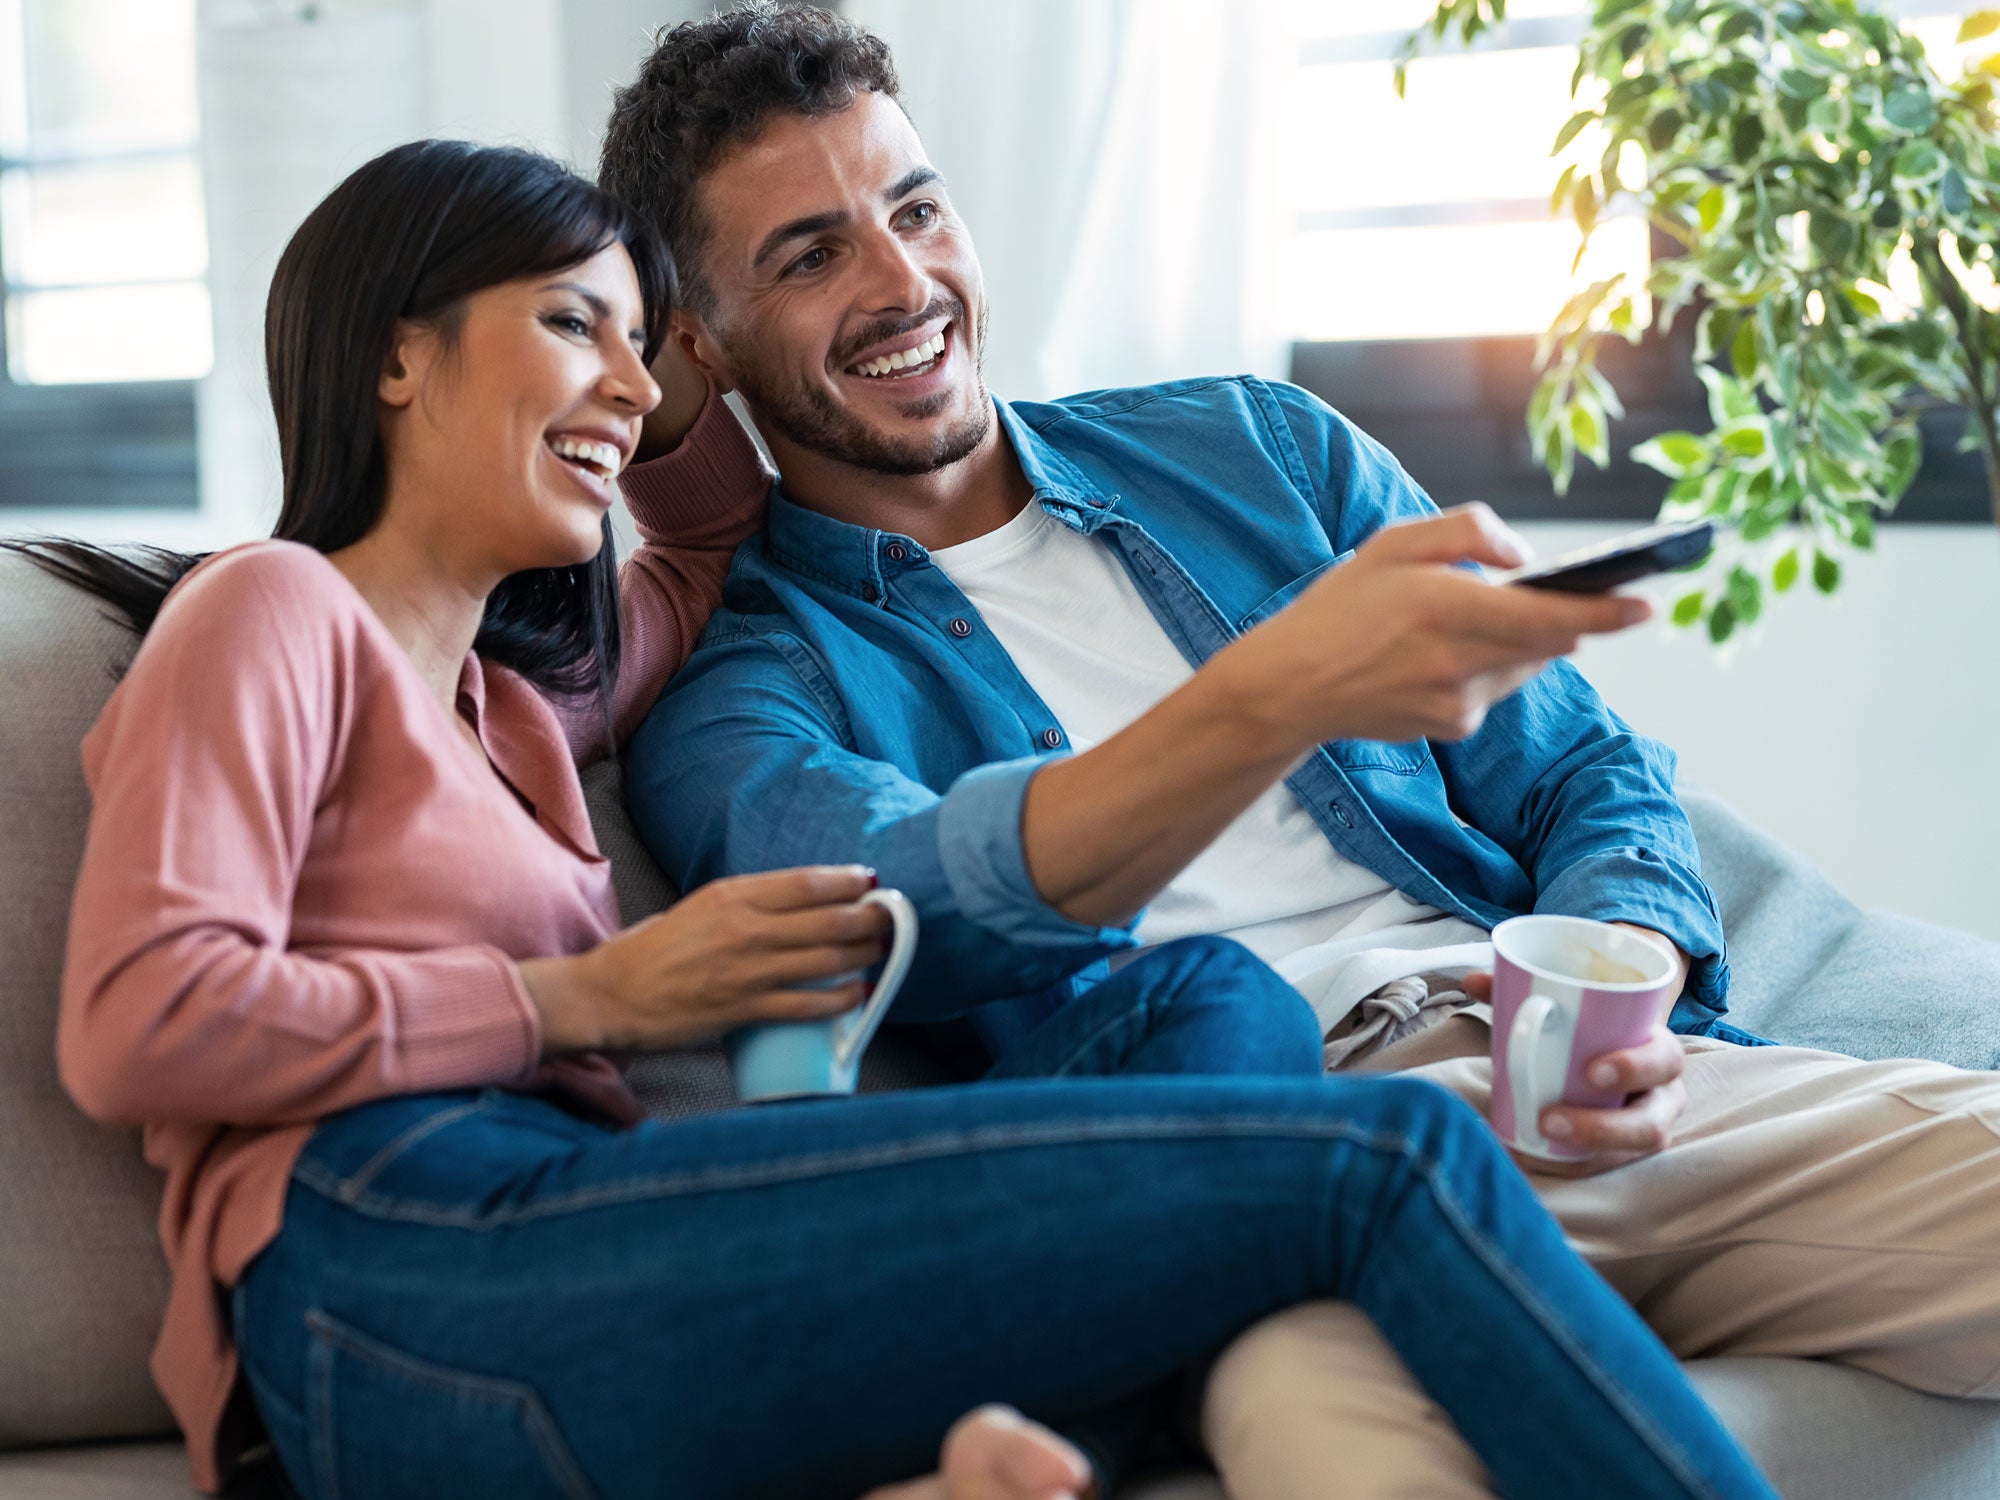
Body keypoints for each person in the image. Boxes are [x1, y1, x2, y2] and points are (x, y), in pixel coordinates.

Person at [21, 137, 1777, 1500]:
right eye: (571, 323)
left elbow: (708, 509)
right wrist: (585, 1003)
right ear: (396, 354)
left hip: (580, 1262)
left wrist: (654, 345)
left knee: (1208, 1001)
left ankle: (962, 1438)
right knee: (1384, 1161)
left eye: (646, 350)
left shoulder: (531, 707)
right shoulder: (269, 613)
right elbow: (138, 1022)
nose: (630, 392)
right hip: (389, 1274)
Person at [598, 6, 2000, 1497]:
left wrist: (1616, 975)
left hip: (1556, 1080)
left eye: (917, 208)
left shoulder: (1253, 449)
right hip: (1274, 1199)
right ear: (697, 339)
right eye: (809, 256)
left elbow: (1585, 766)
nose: (901, 281)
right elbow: (901, 919)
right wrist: (1274, 691)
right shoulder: (744, 697)